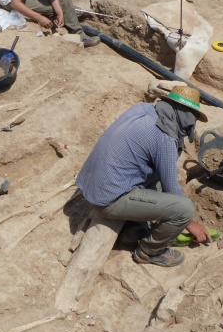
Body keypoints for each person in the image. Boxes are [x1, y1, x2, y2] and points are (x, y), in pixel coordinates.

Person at [75, 86, 210, 267]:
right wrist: (190, 223)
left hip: (90, 182)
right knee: (184, 209)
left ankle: (132, 230)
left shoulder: (142, 109)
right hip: (106, 200)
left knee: (154, 174)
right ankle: (150, 252)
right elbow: (172, 189)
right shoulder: (166, 137)